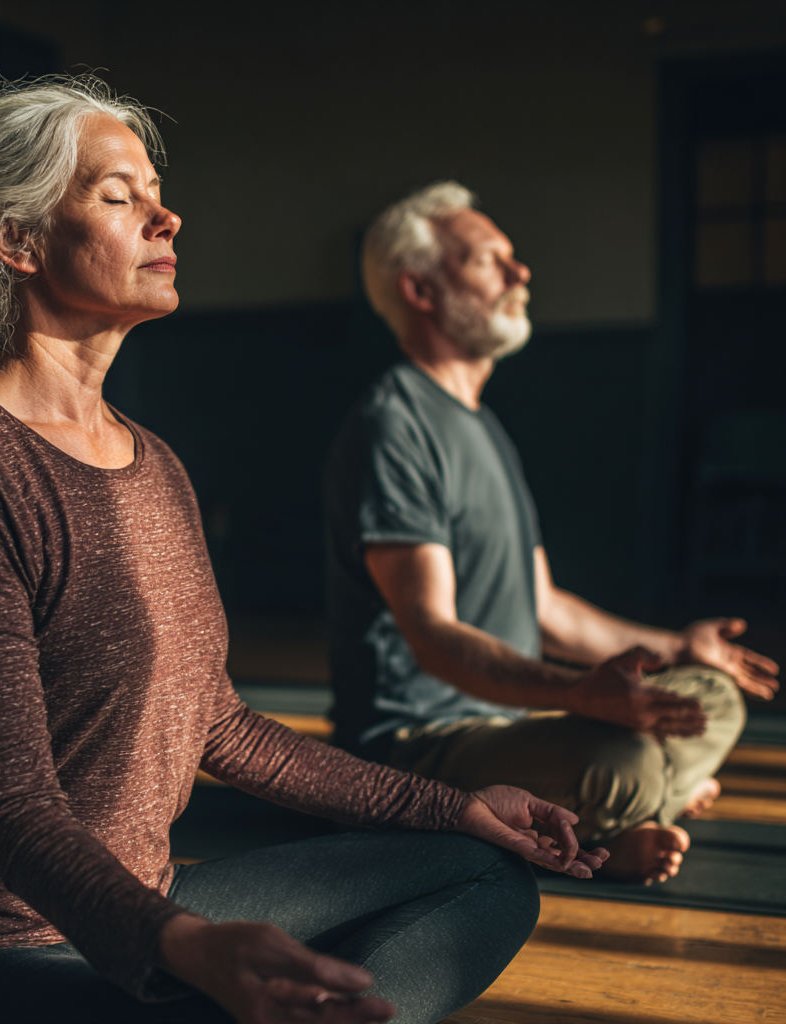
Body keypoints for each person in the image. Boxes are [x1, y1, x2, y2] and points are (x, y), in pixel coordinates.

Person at [0, 78, 606, 1024]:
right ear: (17, 241)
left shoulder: (156, 464)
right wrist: (183, 949)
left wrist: (451, 805)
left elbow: (224, 728)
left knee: (482, 870)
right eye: (118, 195)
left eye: (157, 190)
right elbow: (10, 809)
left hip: (144, 912)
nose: (167, 216)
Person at [324, 181, 780, 888]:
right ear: (421, 290)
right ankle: (626, 809)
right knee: (619, 760)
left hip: (512, 727)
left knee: (711, 696)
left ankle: (614, 814)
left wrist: (678, 648)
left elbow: (546, 608)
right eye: (489, 260)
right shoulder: (395, 424)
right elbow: (431, 635)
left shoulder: (484, 428)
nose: (520, 273)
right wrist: (579, 696)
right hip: (416, 746)